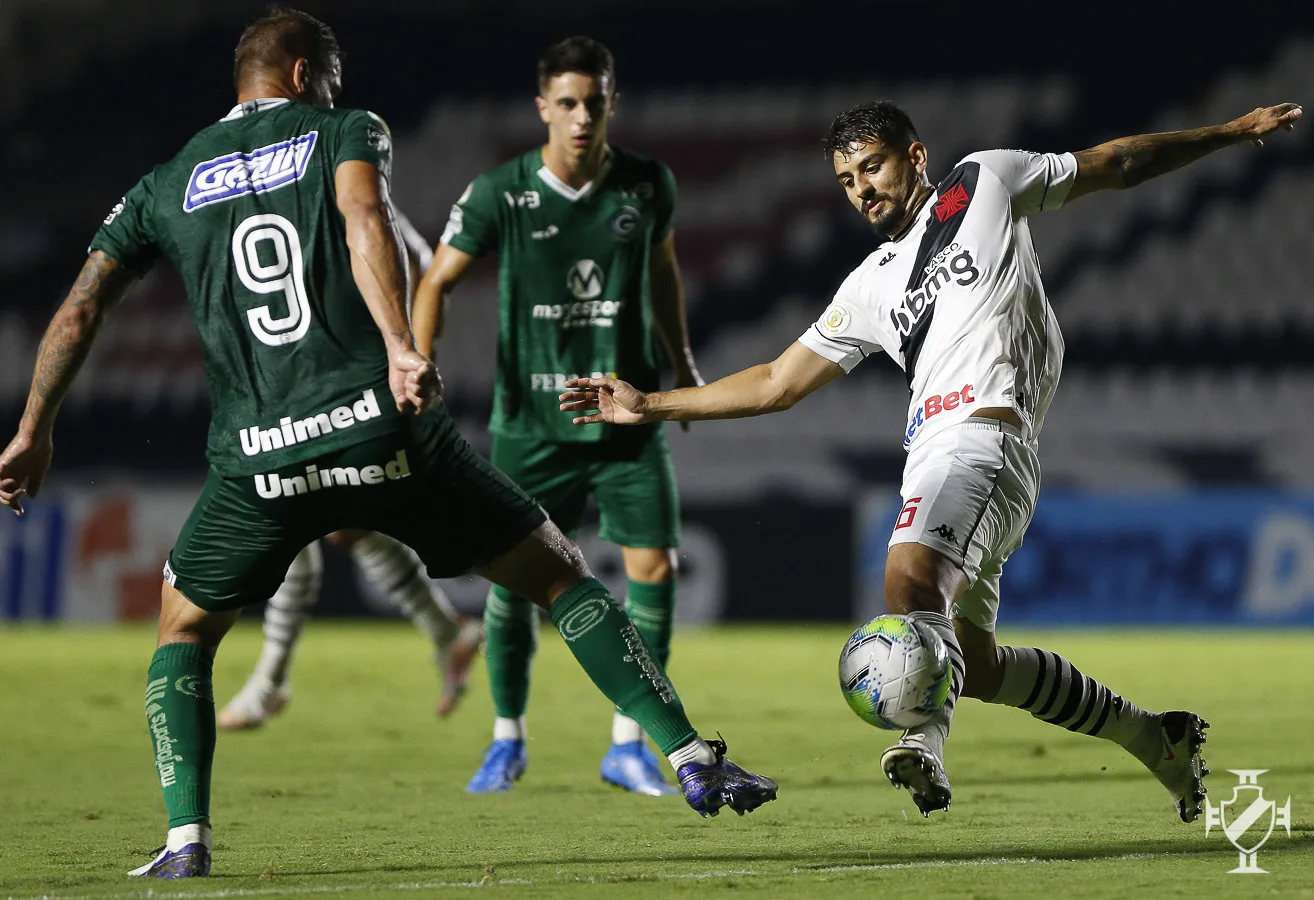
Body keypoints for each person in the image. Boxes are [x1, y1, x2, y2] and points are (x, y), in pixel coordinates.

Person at [0, 7, 775, 880]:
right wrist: (402, 345)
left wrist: (34, 430)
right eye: (327, 79)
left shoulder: (164, 183)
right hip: (381, 434)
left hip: (259, 462)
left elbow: (78, 309)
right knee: (558, 574)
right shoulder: (344, 129)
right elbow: (363, 214)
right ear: (302, 76)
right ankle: (686, 754)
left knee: (182, 631)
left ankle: (186, 842)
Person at [561, 98, 1303, 821]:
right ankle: (1154, 736)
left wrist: (1230, 133)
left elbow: (1120, 163)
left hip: (985, 434)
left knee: (908, 582)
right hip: (942, 454)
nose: (862, 189)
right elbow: (776, 383)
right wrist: (649, 404)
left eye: (873, 167)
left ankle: (924, 741)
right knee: (975, 666)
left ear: (914, 156)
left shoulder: (982, 182)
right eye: (848, 181)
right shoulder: (870, 283)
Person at [412, 36, 702, 796]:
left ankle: (628, 744)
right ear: (543, 107)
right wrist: (417, 362)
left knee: (655, 568)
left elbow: (665, 274)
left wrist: (684, 368)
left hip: (627, 421)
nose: (581, 117)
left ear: (613, 103)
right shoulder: (499, 192)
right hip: (532, 426)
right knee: (513, 590)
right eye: (567, 103)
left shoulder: (647, 185)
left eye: (594, 102)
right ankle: (507, 738)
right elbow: (435, 281)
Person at [215, 213, 483, 730]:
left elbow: (425, 270)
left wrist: (403, 355)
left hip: (348, 388)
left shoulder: (349, 202)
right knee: (338, 527)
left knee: (301, 518)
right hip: (321, 385)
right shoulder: (328, 197)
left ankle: (270, 682)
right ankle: (447, 631)